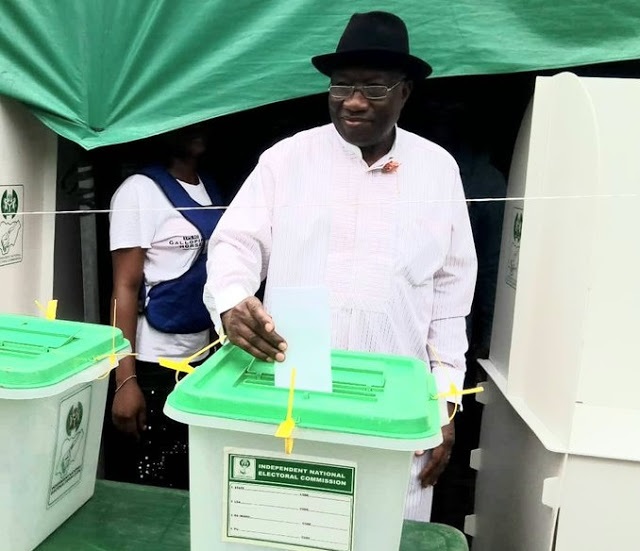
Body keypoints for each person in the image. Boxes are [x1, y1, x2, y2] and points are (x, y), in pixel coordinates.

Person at [203, 11, 477, 521]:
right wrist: (231, 300)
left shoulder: (437, 169)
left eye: (373, 88)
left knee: (384, 529)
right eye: (341, 86)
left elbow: (449, 298)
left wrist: (445, 406)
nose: (353, 101)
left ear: (405, 93)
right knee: (287, 525)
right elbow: (233, 245)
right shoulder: (286, 159)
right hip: (294, 398)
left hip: (396, 409)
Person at [106, 124, 223, 489]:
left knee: (190, 478)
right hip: (152, 364)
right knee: (151, 480)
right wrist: (124, 379)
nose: (196, 128)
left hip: (202, 359)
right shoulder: (139, 191)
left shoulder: (210, 187)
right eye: (184, 120)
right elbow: (123, 288)